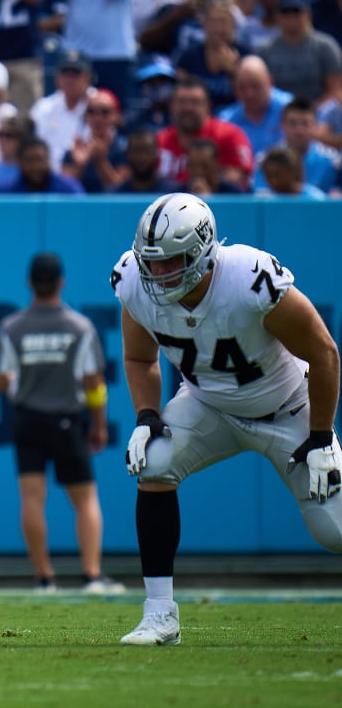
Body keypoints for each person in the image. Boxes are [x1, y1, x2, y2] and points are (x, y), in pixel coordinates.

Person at [113, 192, 342, 646]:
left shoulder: (249, 277)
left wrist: (320, 436)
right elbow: (139, 360)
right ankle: (160, 615)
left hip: (288, 408)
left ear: (202, 252)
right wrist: (146, 414)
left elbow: (323, 351)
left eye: (170, 262)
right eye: (151, 262)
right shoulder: (132, 282)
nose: (158, 273)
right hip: (208, 404)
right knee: (154, 462)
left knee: (334, 531)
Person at [0, 253, 124, 593]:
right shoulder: (79, 328)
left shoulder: (12, 327)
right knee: (85, 499)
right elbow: (94, 381)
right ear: (61, 283)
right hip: (66, 419)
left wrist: (19, 388)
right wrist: (99, 424)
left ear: (30, 283)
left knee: (32, 498)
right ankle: (92, 575)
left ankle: (44, 578)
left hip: (27, 419)